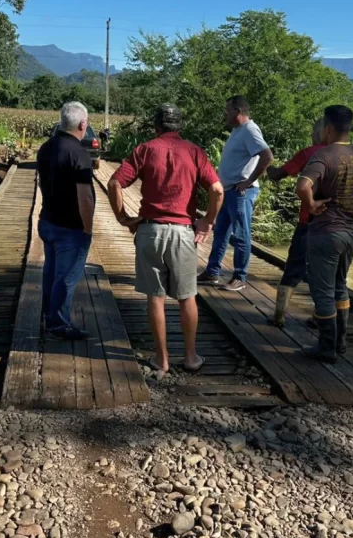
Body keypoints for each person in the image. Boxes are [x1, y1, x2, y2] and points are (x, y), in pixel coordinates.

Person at [108, 104, 224, 373]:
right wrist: (207, 221)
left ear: (157, 125)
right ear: (180, 126)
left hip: (150, 230)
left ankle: (161, 359)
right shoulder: (194, 151)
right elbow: (217, 190)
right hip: (183, 232)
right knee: (187, 297)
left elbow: (114, 184)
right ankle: (191, 357)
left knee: (155, 298)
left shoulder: (145, 149)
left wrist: (123, 218)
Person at [295, 105, 353, 361]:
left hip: (326, 232)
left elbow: (303, 185)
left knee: (322, 291)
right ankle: (341, 342)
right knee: (340, 287)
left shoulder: (323, 156)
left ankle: (326, 347)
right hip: (352, 233)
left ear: (327, 128)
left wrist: (311, 205)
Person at [199, 95, 273, 292]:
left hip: (241, 193)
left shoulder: (250, 129)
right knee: (220, 232)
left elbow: (267, 156)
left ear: (238, 112)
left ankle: (240, 276)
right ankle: (212, 272)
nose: (226, 115)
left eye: (228, 111)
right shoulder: (237, 130)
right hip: (228, 190)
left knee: (241, 235)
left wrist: (248, 181)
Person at [36, 101, 96, 341]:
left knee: (50, 272)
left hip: (47, 220)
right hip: (70, 228)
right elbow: (85, 198)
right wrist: (88, 231)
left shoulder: (46, 147)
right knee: (66, 277)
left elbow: (42, 183)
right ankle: (58, 325)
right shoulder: (79, 153)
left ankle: (48, 317)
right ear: (82, 124)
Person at [265, 117, 326, 327]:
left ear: (321, 132)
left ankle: (279, 316)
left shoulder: (309, 153)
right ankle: (322, 318)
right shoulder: (349, 155)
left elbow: (281, 173)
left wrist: (268, 169)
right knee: (329, 273)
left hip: (308, 221)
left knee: (294, 267)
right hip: (337, 225)